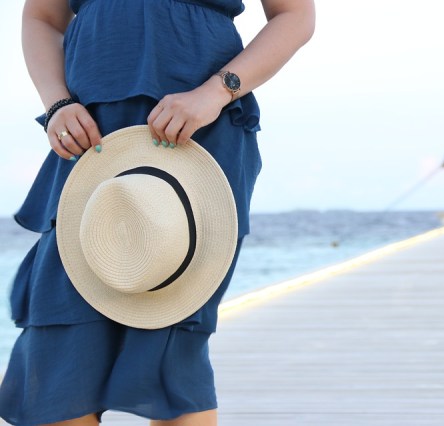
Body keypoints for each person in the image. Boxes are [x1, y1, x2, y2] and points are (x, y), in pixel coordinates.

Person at [0, 0, 315, 424]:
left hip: (197, 132)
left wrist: (216, 92)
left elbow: (295, 15)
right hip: (90, 140)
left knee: (170, 348)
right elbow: (41, 17)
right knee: (57, 352)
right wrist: (56, 103)